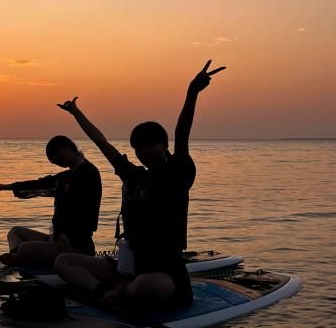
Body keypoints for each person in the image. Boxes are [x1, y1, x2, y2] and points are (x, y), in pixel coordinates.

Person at [54, 60, 226, 314]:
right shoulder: (134, 177)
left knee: (142, 286)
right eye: (139, 148)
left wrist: (192, 92)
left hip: (166, 274)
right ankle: (104, 293)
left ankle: (122, 292)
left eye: (150, 145)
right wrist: (76, 113)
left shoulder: (177, 175)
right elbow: (102, 144)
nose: (145, 152)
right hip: (130, 267)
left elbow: (182, 133)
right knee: (63, 262)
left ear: (163, 146)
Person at [0, 135, 102, 267]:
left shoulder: (89, 173)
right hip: (56, 240)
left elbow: (82, 209)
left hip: (75, 246)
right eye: (54, 161)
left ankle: (19, 257)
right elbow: (38, 184)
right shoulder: (65, 177)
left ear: (67, 147)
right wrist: (6, 187)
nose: (57, 161)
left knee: (24, 248)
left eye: (57, 156)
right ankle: (17, 257)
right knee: (15, 232)